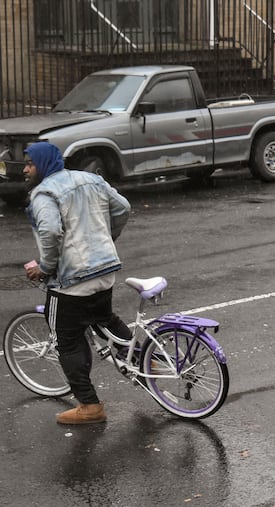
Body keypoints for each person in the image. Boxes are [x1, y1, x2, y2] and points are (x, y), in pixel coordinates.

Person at [23, 141, 132, 425]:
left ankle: (89, 405)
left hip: (71, 281)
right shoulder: (90, 179)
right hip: (105, 270)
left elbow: (49, 231)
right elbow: (123, 207)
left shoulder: (44, 193)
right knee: (104, 316)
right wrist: (105, 240)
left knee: (67, 341)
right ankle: (145, 359)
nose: (25, 169)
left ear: (43, 165)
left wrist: (45, 267)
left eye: (29, 163)